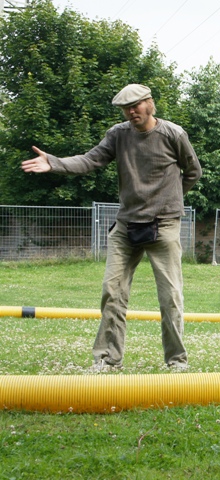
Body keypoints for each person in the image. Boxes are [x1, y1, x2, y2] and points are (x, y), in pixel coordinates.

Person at [21, 84, 202, 371]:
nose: (131, 112)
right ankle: (107, 360)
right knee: (112, 291)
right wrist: (53, 163)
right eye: (126, 108)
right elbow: (90, 160)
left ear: (149, 104)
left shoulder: (173, 134)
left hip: (164, 224)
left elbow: (193, 171)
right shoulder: (118, 135)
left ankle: (177, 361)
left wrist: (169, 199)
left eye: (136, 106)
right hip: (126, 224)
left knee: (170, 296)